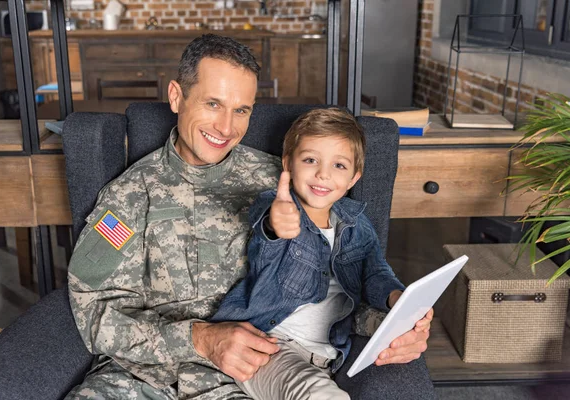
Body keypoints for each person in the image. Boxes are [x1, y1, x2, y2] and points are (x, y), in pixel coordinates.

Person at [65, 34, 435, 400]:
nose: (226, 127)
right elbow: (93, 311)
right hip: (140, 379)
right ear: (177, 97)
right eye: (213, 103)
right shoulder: (129, 196)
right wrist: (199, 339)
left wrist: (394, 325)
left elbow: (329, 290)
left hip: (242, 380)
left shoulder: (291, 183)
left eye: (241, 110)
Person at [211, 108, 429, 400]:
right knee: (320, 395)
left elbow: (374, 271)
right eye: (310, 160)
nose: (323, 174)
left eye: (339, 165)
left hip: (330, 351)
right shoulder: (277, 208)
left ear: (354, 178)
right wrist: (275, 223)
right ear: (288, 164)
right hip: (269, 347)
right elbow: (267, 236)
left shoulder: (355, 223)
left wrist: (395, 296)